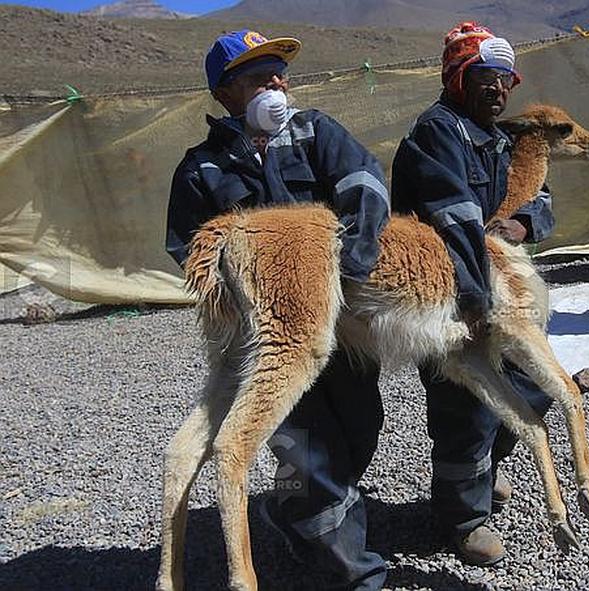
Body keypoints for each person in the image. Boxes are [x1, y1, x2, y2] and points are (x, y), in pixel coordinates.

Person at [165, 30, 390, 590]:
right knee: (300, 446)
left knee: (362, 423)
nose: (275, 82)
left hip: (336, 314)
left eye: (278, 72)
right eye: (257, 75)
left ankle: (291, 514)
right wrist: (237, 299)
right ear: (225, 93)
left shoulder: (316, 132)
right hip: (269, 331)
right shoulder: (203, 168)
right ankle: (350, 567)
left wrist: (352, 267)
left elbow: (366, 186)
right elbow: (186, 246)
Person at [390, 22, 555, 567]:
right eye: (487, 77)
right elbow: (455, 217)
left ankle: (489, 466)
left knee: (534, 385)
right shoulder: (437, 134)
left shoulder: (497, 139)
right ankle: (460, 520)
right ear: (458, 76)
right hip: (448, 293)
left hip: (491, 285)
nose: (499, 89)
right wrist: (476, 298)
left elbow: (537, 197)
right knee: (464, 406)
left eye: (506, 80)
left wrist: (524, 225)